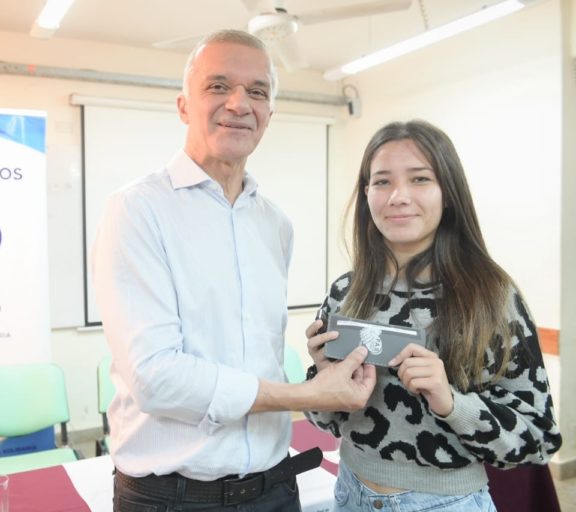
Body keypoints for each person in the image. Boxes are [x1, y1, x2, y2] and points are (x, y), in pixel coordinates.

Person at [91, 29, 376, 512]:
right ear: (184, 105)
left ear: (269, 114)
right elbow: (156, 378)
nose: (240, 103)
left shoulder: (274, 224)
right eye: (218, 86)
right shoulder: (138, 211)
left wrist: (319, 365)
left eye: (258, 91)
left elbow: (255, 350)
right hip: (173, 499)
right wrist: (302, 394)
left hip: (274, 489)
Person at [304, 120, 562, 511]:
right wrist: (323, 382)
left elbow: (538, 438)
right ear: (366, 194)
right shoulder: (346, 291)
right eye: (382, 182)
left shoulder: (492, 296)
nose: (398, 197)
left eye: (420, 179)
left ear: (449, 193)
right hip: (350, 493)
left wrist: (451, 403)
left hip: (448, 502)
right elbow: (326, 422)